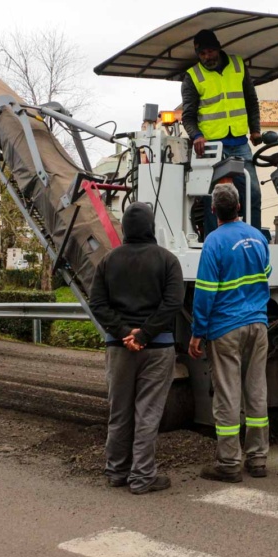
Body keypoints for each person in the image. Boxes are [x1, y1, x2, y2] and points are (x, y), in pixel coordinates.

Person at [89, 202, 184, 495]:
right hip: (157, 350)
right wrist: (144, 335)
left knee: (119, 411)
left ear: (125, 229)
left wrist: (123, 332)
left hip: (119, 349)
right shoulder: (168, 260)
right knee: (148, 413)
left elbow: (97, 304)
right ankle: (142, 477)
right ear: (151, 227)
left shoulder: (108, 261)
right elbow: (173, 303)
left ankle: (116, 471)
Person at [188, 184, 272, 482]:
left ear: (213, 211)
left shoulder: (213, 242)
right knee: (256, 390)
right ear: (239, 207)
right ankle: (258, 459)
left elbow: (206, 291)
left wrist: (198, 332)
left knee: (227, 394)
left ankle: (228, 464)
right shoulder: (258, 237)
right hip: (258, 325)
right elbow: (267, 273)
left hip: (225, 328)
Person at [181, 28, 263, 233]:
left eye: (209, 51)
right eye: (202, 54)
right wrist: (197, 136)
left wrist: (255, 129)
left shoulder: (238, 66)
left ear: (218, 48)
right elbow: (188, 116)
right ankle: (212, 239)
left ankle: (254, 237)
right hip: (211, 146)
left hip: (240, 143)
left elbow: (251, 101)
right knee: (213, 197)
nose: (206, 57)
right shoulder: (193, 76)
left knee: (252, 193)